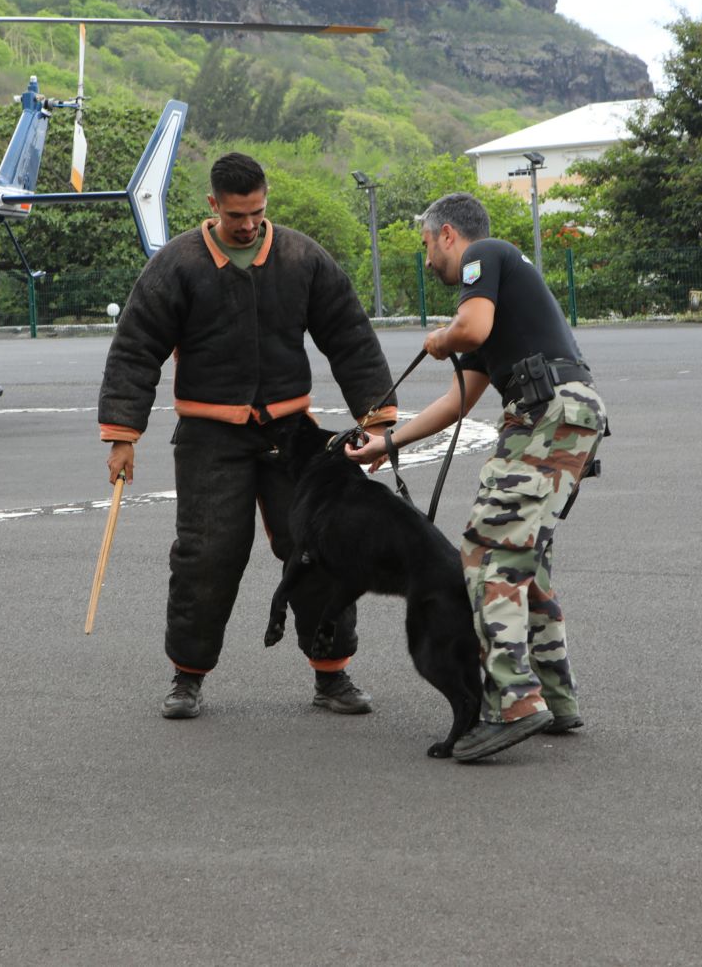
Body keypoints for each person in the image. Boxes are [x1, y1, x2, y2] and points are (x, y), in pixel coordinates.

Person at [97, 152, 397, 719]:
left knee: (319, 549)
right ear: (213, 205)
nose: (249, 223)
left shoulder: (302, 257)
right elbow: (136, 348)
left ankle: (331, 675)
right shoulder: (176, 264)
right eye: (237, 214)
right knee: (206, 556)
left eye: (258, 211)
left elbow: (350, 336)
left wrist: (377, 417)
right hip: (210, 436)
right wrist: (123, 434)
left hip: (294, 435)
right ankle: (187, 677)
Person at [346, 192, 607, 763]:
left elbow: (468, 329)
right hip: (556, 415)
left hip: (547, 415)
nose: (427, 262)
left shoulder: (484, 254)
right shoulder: (496, 299)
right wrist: (386, 443)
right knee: (523, 559)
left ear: (447, 236)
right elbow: (460, 399)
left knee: (487, 553)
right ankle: (556, 699)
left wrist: (442, 337)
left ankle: (512, 705)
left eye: (426, 247)